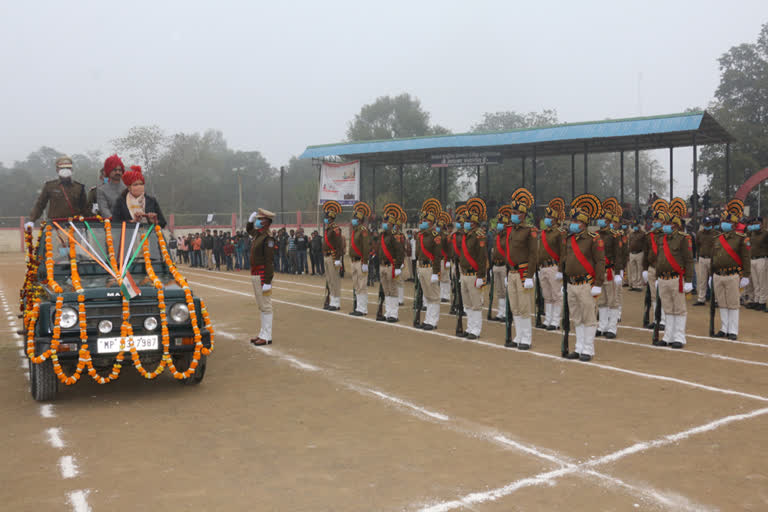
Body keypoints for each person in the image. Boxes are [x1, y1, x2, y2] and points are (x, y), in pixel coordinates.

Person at [560, 194, 605, 361]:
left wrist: (598, 283)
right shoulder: (570, 239)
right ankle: (578, 348)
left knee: (588, 317)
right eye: (572, 221)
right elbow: (565, 260)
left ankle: (588, 349)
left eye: (576, 222)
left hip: (586, 283)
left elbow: (600, 262)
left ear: (584, 224)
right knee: (577, 317)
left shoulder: (594, 239)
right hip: (571, 284)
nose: (573, 224)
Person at [652, 198, 694, 348]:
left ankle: (679, 336)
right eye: (664, 224)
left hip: (677, 278)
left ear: (675, 225)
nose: (665, 226)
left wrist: (689, 280)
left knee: (679, 308)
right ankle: (668, 336)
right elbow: (659, 259)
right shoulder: (661, 238)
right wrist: (657, 276)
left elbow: (689, 260)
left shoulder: (683, 239)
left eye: (667, 224)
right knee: (667, 308)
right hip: (663, 278)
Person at [503, 189, 538, 348]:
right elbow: (508, 252)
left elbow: (533, 254)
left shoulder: (529, 231)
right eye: (512, 212)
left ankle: (527, 338)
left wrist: (530, 275)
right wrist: (506, 272)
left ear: (523, 215)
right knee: (514, 306)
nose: (513, 214)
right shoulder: (510, 229)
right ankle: (518, 336)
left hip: (523, 272)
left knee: (524, 307)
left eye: (516, 212)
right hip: (511, 272)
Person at [712, 199, 751, 340]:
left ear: (734, 224)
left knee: (733, 303)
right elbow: (714, 257)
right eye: (723, 221)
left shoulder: (741, 238)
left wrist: (746, 275)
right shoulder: (717, 238)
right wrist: (712, 273)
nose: (724, 224)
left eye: (727, 222)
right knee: (722, 302)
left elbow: (746, 257)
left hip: (733, 274)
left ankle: (733, 330)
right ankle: (724, 328)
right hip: (718, 275)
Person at [27, 155, 88, 227]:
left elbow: (85, 208)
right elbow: (40, 204)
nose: (65, 170)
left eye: (68, 168)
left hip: (75, 226)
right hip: (54, 226)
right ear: (57, 170)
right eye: (62, 168)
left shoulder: (79, 187)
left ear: (72, 170)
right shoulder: (50, 186)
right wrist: (32, 220)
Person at [458, 198, 489, 340]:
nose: (464, 223)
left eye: (467, 221)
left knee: (476, 304)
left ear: (474, 222)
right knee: (467, 304)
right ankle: (470, 327)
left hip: (474, 274)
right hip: (464, 274)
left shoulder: (479, 235)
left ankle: (476, 330)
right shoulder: (466, 235)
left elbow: (482, 258)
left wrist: (481, 277)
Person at [595, 198, 624, 339]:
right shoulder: (595, 234)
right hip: (599, 271)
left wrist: (618, 272)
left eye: (602, 218)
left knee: (612, 300)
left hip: (610, 271)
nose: (599, 220)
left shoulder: (614, 235)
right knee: (601, 300)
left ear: (607, 220)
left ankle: (612, 328)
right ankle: (602, 326)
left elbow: (619, 255)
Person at [246, 208, 276, 345]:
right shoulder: (259, 235)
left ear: (265, 222)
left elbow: (269, 260)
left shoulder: (268, 238)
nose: (257, 221)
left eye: (259, 219)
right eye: (257, 219)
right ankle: (263, 333)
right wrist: (249, 221)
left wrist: (268, 281)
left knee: (266, 305)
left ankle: (267, 335)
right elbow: (249, 230)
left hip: (263, 274)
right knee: (261, 305)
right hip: (255, 273)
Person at [539, 197, 566, 331]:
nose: (547, 219)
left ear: (555, 219)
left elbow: (563, 252)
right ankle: (548, 319)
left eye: (549, 217)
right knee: (547, 295)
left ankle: (555, 321)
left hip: (554, 266)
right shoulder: (543, 233)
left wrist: (561, 270)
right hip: (543, 267)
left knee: (556, 295)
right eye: (546, 216)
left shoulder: (560, 232)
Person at [415, 199, 443, 330]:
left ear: (431, 222)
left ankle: (433, 321)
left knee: (434, 296)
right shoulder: (420, 235)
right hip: (421, 267)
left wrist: (436, 272)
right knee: (427, 295)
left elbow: (437, 256)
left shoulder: (435, 235)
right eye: (422, 220)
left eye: (425, 221)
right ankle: (428, 319)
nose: (422, 222)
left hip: (430, 267)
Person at [642, 199, 670, 330]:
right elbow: (646, 253)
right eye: (654, 220)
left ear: (664, 222)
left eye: (658, 220)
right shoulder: (649, 236)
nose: (655, 222)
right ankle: (655, 318)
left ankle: (663, 319)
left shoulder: (667, 235)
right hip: (652, 268)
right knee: (653, 295)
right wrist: (644, 269)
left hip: (664, 269)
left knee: (663, 294)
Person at [377, 203, 406, 322]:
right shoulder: (382, 236)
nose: (384, 223)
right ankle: (388, 312)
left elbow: (400, 251)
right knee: (386, 290)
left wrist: (398, 266)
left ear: (391, 224)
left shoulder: (395, 236)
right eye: (383, 221)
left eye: (386, 222)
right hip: (382, 266)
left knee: (393, 289)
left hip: (391, 266)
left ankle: (394, 314)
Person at [348, 202, 372, 316]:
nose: (352, 220)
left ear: (359, 220)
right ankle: (359, 307)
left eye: (354, 218)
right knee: (356, 285)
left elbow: (366, 247)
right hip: (353, 261)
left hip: (360, 261)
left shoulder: (363, 230)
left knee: (362, 285)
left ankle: (363, 309)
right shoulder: (355, 230)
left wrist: (365, 262)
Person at [321, 201, 344, 311]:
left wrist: (338, 259)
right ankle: (332, 300)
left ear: (331, 218)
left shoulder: (335, 228)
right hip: (326, 256)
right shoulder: (328, 228)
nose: (325, 219)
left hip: (332, 257)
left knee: (334, 280)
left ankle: (336, 302)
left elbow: (339, 244)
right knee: (329, 280)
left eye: (327, 217)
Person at [490, 209, 510, 323]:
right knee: (499, 291)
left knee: (505, 289)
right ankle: (500, 312)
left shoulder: (507, 236)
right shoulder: (497, 236)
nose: (499, 225)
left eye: (501, 223)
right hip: (496, 265)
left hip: (504, 266)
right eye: (498, 223)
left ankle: (507, 312)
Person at [693, 216, 716, 305]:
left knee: (714, 280)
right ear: (703, 224)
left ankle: (715, 299)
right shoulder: (699, 233)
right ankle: (701, 299)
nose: (708, 225)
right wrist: (699, 255)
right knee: (702, 280)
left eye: (709, 223)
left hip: (712, 259)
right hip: (702, 258)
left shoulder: (715, 233)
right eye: (706, 224)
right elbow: (697, 245)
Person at [746, 217, 767, 311]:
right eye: (754, 223)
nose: (755, 224)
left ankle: (762, 302)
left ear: (762, 224)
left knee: (762, 282)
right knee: (755, 282)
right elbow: (746, 238)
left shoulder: (766, 233)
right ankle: (757, 300)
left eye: (758, 223)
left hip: (762, 259)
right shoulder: (752, 233)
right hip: (752, 259)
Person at [437, 212, 453, 303]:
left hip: (444, 258)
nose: (438, 227)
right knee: (438, 277)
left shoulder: (446, 235)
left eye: (440, 226)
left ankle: (446, 295)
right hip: (437, 259)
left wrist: (448, 260)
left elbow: (449, 248)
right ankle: (441, 294)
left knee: (445, 277)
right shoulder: (435, 235)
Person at [627, 219, 645, 291]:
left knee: (639, 270)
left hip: (639, 253)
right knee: (633, 270)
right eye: (634, 226)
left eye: (636, 225)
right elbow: (629, 244)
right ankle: (634, 285)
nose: (635, 227)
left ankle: (639, 286)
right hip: (632, 253)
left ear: (639, 225)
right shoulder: (631, 234)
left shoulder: (642, 234)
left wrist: (641, 229)